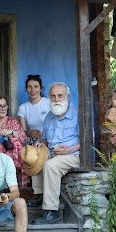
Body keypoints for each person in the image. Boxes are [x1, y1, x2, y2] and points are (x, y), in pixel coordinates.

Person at [29, 82, 81, 224]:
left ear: (67, 96)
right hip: (54, 153)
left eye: (60, 96)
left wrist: (69, 150)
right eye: (53, 96)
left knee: (50, 165)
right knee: (35, 157)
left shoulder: (78, 115)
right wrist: (42, 145)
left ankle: (52, 211)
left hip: (73, 155)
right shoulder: (49, 117)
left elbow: (88, 141)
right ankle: (40, 195)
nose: (56, 99)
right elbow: (46, 140)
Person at [0, 93, 29, 187]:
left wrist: (11, 132)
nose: (3, 109)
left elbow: (23, 138)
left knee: (16, 143)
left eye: (5, 106)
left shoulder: (12, 122)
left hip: (16, 163)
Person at [17, 74, 51, 145]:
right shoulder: (23, 108)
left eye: (36, 86)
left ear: (41, 88)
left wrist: (44, 136)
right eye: (29, 87)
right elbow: (23, 131)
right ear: (26, 89)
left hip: (49, 139)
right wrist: (30, 132)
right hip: (32, 141)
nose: (33, 90)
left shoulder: (48, 103)